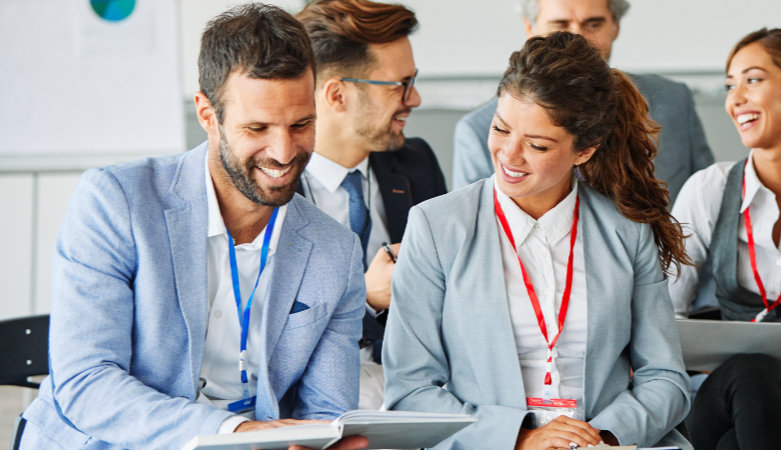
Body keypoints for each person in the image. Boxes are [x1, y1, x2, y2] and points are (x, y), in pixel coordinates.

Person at [15, 4, 368, 450]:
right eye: (257, 127)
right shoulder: (115, 202)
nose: (283, 152)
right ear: (207, 114)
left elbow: (325, 414)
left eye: (301, 124)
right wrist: (234, 433)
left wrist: (320, 440)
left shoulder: (336, 250)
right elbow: (86, 382)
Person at [383, 32, 693, 450]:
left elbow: (666, 378)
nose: (509, 155)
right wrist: (521, 440)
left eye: (537, 144)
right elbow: (410, 393)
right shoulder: (436, 227)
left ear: (584, 151)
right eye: (500, 128)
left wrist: (603, 438)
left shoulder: (625, 229)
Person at [670, 28, 781, 450]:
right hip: (723, 393)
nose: (734, 100)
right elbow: (666, 314)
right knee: (752, 373)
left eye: (752, 80)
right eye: (730, 85)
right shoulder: (710, 189)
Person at [294, 0, 447, 411]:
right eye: (399, 84)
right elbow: (263, 320)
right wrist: (363, 296)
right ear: (337, 95)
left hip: (412, 399)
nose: (413, 99)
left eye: (413, 80)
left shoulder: (416, 163)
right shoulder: (271, 184)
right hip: (308, 404)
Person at [451, 0, 714, 202]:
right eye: (561, 24)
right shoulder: (477, 131)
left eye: (594, 23)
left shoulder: (674, 101)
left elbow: (707, 205)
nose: (579, 39)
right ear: (530, 28)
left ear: (616, 26)